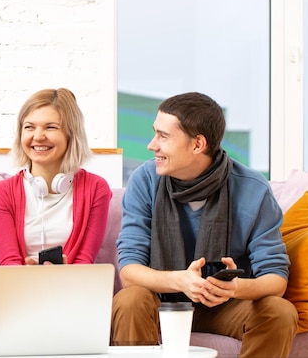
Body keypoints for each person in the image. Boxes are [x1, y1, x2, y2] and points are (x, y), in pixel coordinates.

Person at [111, 92, 298, 357]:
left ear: (197, 144)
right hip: (162, 301)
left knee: (279, 311)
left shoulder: (252, 189)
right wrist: (180, 281)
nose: (152, 145)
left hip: (223, 306)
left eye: (163, 136)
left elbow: (276, 278)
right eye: (155, 134)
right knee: (130, 300)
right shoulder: (145, 180)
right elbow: (129, 271)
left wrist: (235, 288)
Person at [0, 88, 112, 265]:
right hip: (18, 287)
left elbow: (84, 261)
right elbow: (9, 264)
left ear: (71, 134)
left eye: (51, 127)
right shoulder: (1, 193)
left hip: (72, 287)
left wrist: (58, 276)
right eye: (29, 127)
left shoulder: (96, 188)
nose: (38, 136)